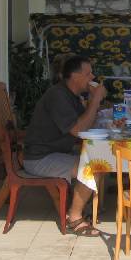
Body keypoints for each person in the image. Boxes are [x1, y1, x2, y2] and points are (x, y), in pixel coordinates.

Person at [23, 55, 107, 236]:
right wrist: (95, 101)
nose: (92, 77)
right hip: (40, 158)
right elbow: (78, 130)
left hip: (55, 152)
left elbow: (86, 124)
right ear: (75, 76)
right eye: (88, 74)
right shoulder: (58, 96)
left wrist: (94, 103)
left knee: (101, 160)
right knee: (94, 167)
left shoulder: (71, 95)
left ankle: (88, 206)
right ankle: (74, 217)